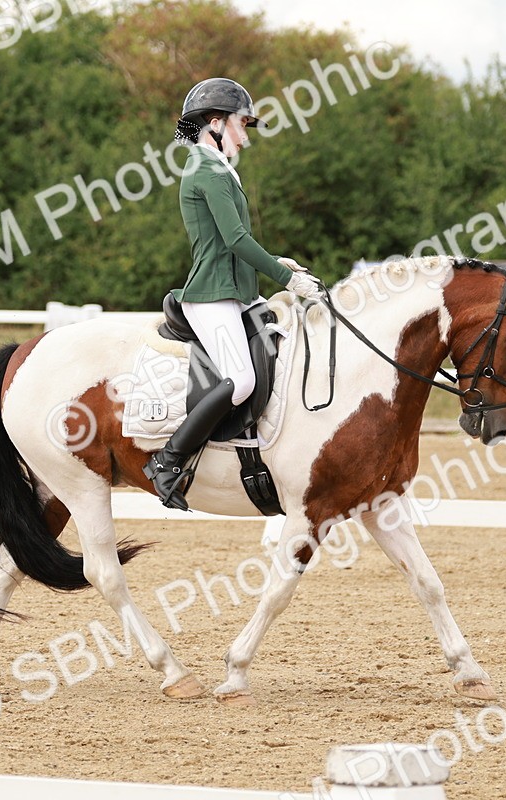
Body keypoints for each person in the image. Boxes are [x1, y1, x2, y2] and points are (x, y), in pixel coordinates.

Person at [143, 77, 325, 510]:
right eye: (241, 125)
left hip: (239, 292)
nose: (245, 136)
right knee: (241, 380)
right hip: (211, 297)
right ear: (215, 123)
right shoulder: (205, 170)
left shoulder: (221, 169)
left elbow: (235, 243)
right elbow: (235, 240)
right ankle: (168, 462)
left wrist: (277, 261)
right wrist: (286, 279)